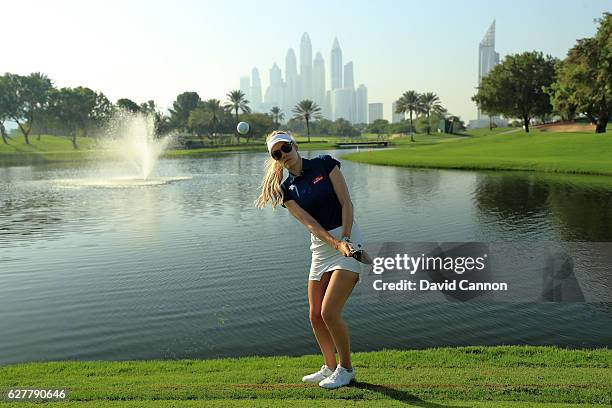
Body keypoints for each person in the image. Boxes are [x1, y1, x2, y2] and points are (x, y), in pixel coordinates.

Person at [255, 131, 366, 389]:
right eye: (277, 153)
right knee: (315, 315)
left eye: (286, 147)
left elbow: (346, 203)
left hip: (349, 240)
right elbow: (312, 225)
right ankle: (328, 366)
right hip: (322, 247)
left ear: (295, 145)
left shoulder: (326, 163)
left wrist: (345, 238)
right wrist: (334, 243)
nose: (283, 154)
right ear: (276, 158)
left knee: (329, 312)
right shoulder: (286, 191)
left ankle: (346, 369)